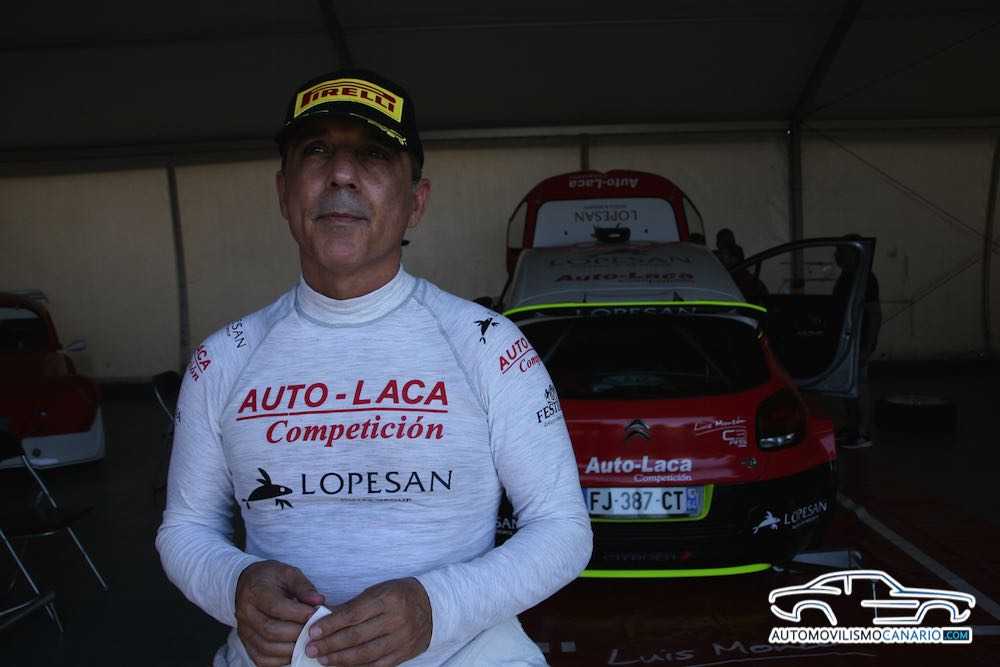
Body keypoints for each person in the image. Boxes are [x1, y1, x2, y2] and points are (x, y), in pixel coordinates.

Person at [156, 68, 592, 667]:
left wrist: (437, 606)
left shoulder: (488, 346)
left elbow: (563, 528)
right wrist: (234, 585)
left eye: (374, 155)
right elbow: (185, 527)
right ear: (284, 193)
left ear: (416, 203)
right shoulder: (224, 357)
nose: (341, 174)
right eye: (316, 151)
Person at [832, 234, 881, 449]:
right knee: (847, 386)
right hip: (847, 341)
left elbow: (875, 313)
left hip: (858, 342)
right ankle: (852, 426)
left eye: (842, 251)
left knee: (860, 386)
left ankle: (863, 432)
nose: (837, 255)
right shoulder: (846, 277)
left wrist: (868, 346)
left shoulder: (865, 279)